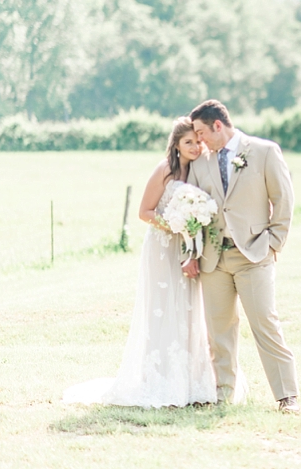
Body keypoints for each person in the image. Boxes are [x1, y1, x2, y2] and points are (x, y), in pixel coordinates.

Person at [63, 118, 217, 408]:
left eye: (197, 141)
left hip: (187, 247)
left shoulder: (198, 168)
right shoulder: (165, 169)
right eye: (188, 142)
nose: (195, 147)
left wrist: (190, 234)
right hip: (161, 247)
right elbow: (144, 211)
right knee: (161, 308)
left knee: (187, 306)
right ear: (176, 144)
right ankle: (157, 378)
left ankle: (190, 380)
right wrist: (175, 225)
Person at [184, 99, 299, 412]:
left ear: (217, 125)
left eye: (200, 132)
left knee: (265, 322)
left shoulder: (263, 151)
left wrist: (273, 242)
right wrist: (191, 252)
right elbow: (191, 209)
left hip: (254, 255)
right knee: (219, 329)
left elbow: (283, 199)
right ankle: (223, 394)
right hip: (213, 260)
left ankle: (287, 395)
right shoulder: (200, 163)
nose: (199, 139)